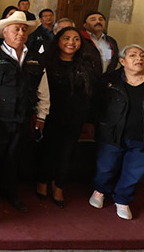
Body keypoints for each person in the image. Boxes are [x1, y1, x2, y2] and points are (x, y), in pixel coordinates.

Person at [0, 11, 50, 213]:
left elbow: (43, 90)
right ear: (5, 32)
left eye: (24, 29)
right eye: (16, 29)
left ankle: (10, 190)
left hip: (22, 118)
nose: (21, 33)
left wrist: (41, 115)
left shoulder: (35, 59)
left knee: (14, 157)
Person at [89, 44, 144, 220]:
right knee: (105, 167)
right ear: (122, 61)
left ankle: (122, 199)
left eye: (142, 55)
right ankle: (100, 190)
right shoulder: (109, 81)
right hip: (112, 134)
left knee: (135, 171)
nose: (139, 59)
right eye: (133, 55)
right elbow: (96, 105)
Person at [36, 27, 101, 208]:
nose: (71, 42)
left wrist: (89, 118)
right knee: (48, 150)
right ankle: (43, 180)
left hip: (76, 116)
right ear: (58, 41)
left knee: (67, 152)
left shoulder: (87, 65)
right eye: (66, 38)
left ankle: (59, 185)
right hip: (51, 114)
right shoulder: (46, 62)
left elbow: (92, 94)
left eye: (76, 39)